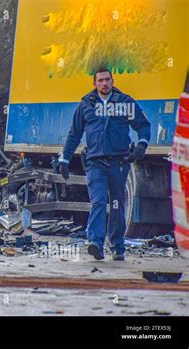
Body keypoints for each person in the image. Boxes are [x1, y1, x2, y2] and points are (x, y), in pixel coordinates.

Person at [59, 67, 151, 261]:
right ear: (94, 84)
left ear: (113, 81)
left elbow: (143, 125)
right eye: (100, 81)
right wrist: (64, 159)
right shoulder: (86, 105)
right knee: (99, 201)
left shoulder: (125, 102)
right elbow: (74, 134)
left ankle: (118, 246)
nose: (104, 84)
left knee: (117, 204)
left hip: (119, 163)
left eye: (107, 80)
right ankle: (96, 244)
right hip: (95, 163)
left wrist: (142, 144)